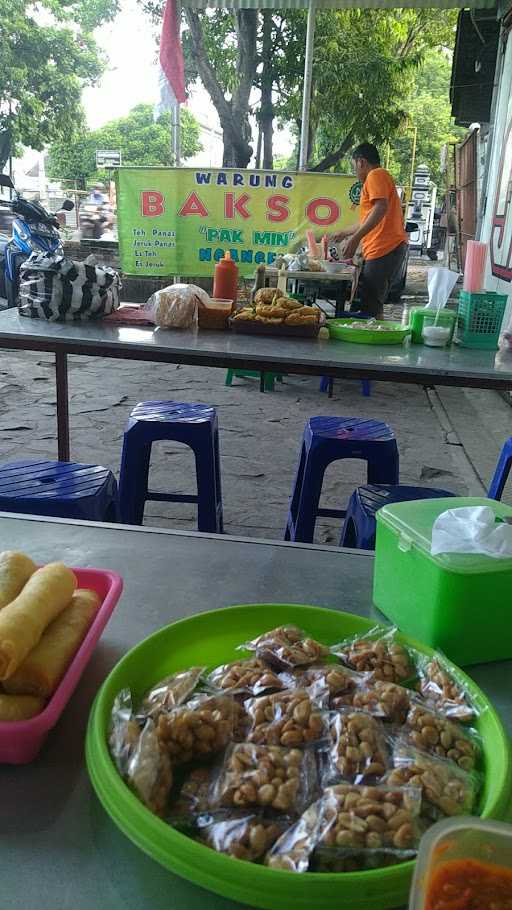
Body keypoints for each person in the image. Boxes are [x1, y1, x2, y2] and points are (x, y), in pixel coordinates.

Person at [333, 143, 408, 318]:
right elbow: (370, 218)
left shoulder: (375, 175)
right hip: (383, 248)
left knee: (371, 305)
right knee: (372, 302)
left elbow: (381, 208)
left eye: (354, 167)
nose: (355, 172)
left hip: (384, 247)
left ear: (361, 162)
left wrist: (355, 239)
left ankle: (373, 341)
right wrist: (345, 233)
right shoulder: (380, 177)